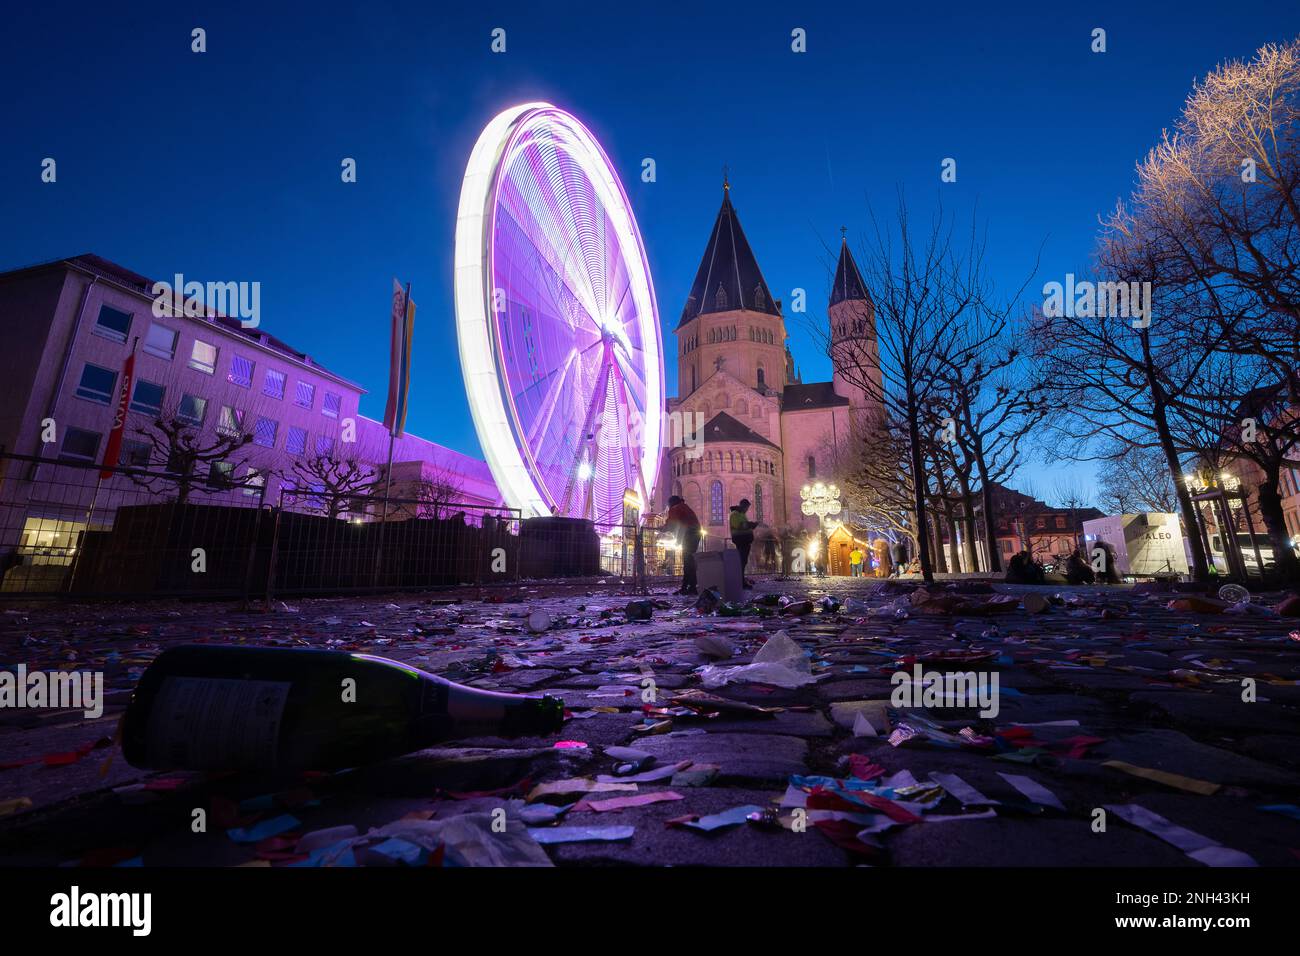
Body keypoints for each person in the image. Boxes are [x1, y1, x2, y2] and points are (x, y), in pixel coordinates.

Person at [663, 496, 702, 594]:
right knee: (689, 560)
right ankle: (688, 586)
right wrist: (679, 539)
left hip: (690, 534)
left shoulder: (675, 508)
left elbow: (672, 524)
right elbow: (682, 524)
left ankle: (690, 587)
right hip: (695, 534)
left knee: (688, 561)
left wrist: (663, 529)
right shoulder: (684, 507)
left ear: (671, 503)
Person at [729, 499, 758, 588]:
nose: (747, 510)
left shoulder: (741, 514)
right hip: (740, 540)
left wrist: (751, 526)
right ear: (743, 505)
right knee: (741, 561)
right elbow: (739, 525)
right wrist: (750, 525)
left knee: (743, 561)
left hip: (745, 541)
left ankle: (742, 581)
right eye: (747, 508)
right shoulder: (734, 514)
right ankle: (740, 582)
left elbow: (744, 526)